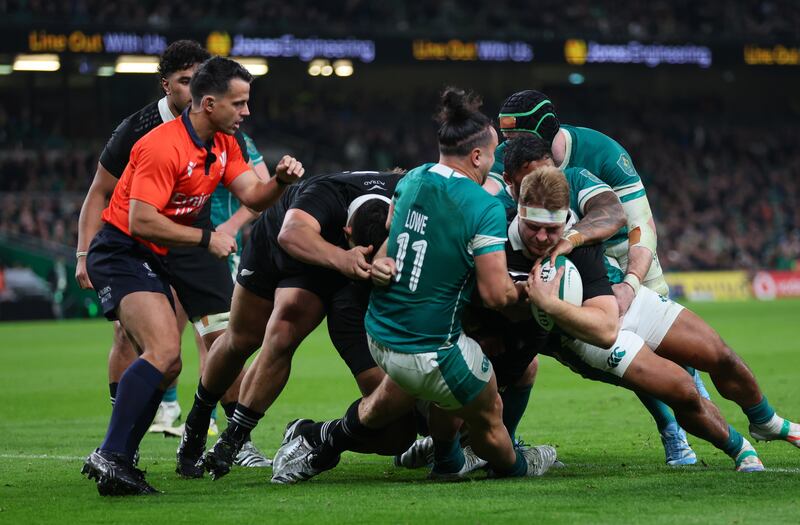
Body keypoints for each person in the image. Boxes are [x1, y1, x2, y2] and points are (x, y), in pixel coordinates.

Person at [270, 87, 559, 485]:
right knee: (489, 414)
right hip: (431, 349)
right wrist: (531, 292)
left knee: (402, 398)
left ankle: (327, 445)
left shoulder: (411, 181)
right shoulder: (483, 206)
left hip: (381, 333)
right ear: (477, 157)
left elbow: (392, 239)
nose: (492, 163)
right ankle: (518, 464)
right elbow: (495, 295)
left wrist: (383, 261)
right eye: (491, 155)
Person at [80, 56, 304, 496]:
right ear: (208, 103)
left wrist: (278, 180)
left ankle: (207, 436)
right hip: (127, 248)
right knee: (166, 354)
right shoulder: (161, 146)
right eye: (239, 104)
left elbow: (253, 195)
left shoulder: (224, 142)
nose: (247, 112)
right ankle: (113, 454)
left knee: (232, 340)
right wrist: (207, 239)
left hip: (181, 247)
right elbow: (141, 221)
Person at [500, 162, 799, 472]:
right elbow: (603, 334)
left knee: (719, 354)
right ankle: (738, 448)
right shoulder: (498, 244)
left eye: (552, 229)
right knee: (683, 390)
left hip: (616, 302)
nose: (541, 237)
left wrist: (552, 296)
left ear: (565, 218)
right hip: (584, 337)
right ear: (519, 210)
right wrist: (547, 305)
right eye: (533, 226)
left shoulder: (576, 234)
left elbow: (606, 313)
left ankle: (766, 421)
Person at [490, 91, 710, 465]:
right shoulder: (511, 158)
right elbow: (489, 196)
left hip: (628, 254)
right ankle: (671, 428)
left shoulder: (602, 151)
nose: (507, 148)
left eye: (516, 138)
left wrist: (630, 283)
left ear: (543, 131)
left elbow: (640, 222)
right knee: (621, 350)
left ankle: (693, 419)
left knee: (671, 348)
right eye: (505, 140)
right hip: (564, 249)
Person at [177, 169, 415, 480]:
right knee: (242, 339)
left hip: (333, 263)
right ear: (346, 232)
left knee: (286, 329)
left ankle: (233, 437)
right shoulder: (326, 195)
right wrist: (344, 260)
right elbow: (290, 234)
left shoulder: (407, 199)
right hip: (280, 243)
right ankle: (196, 425)